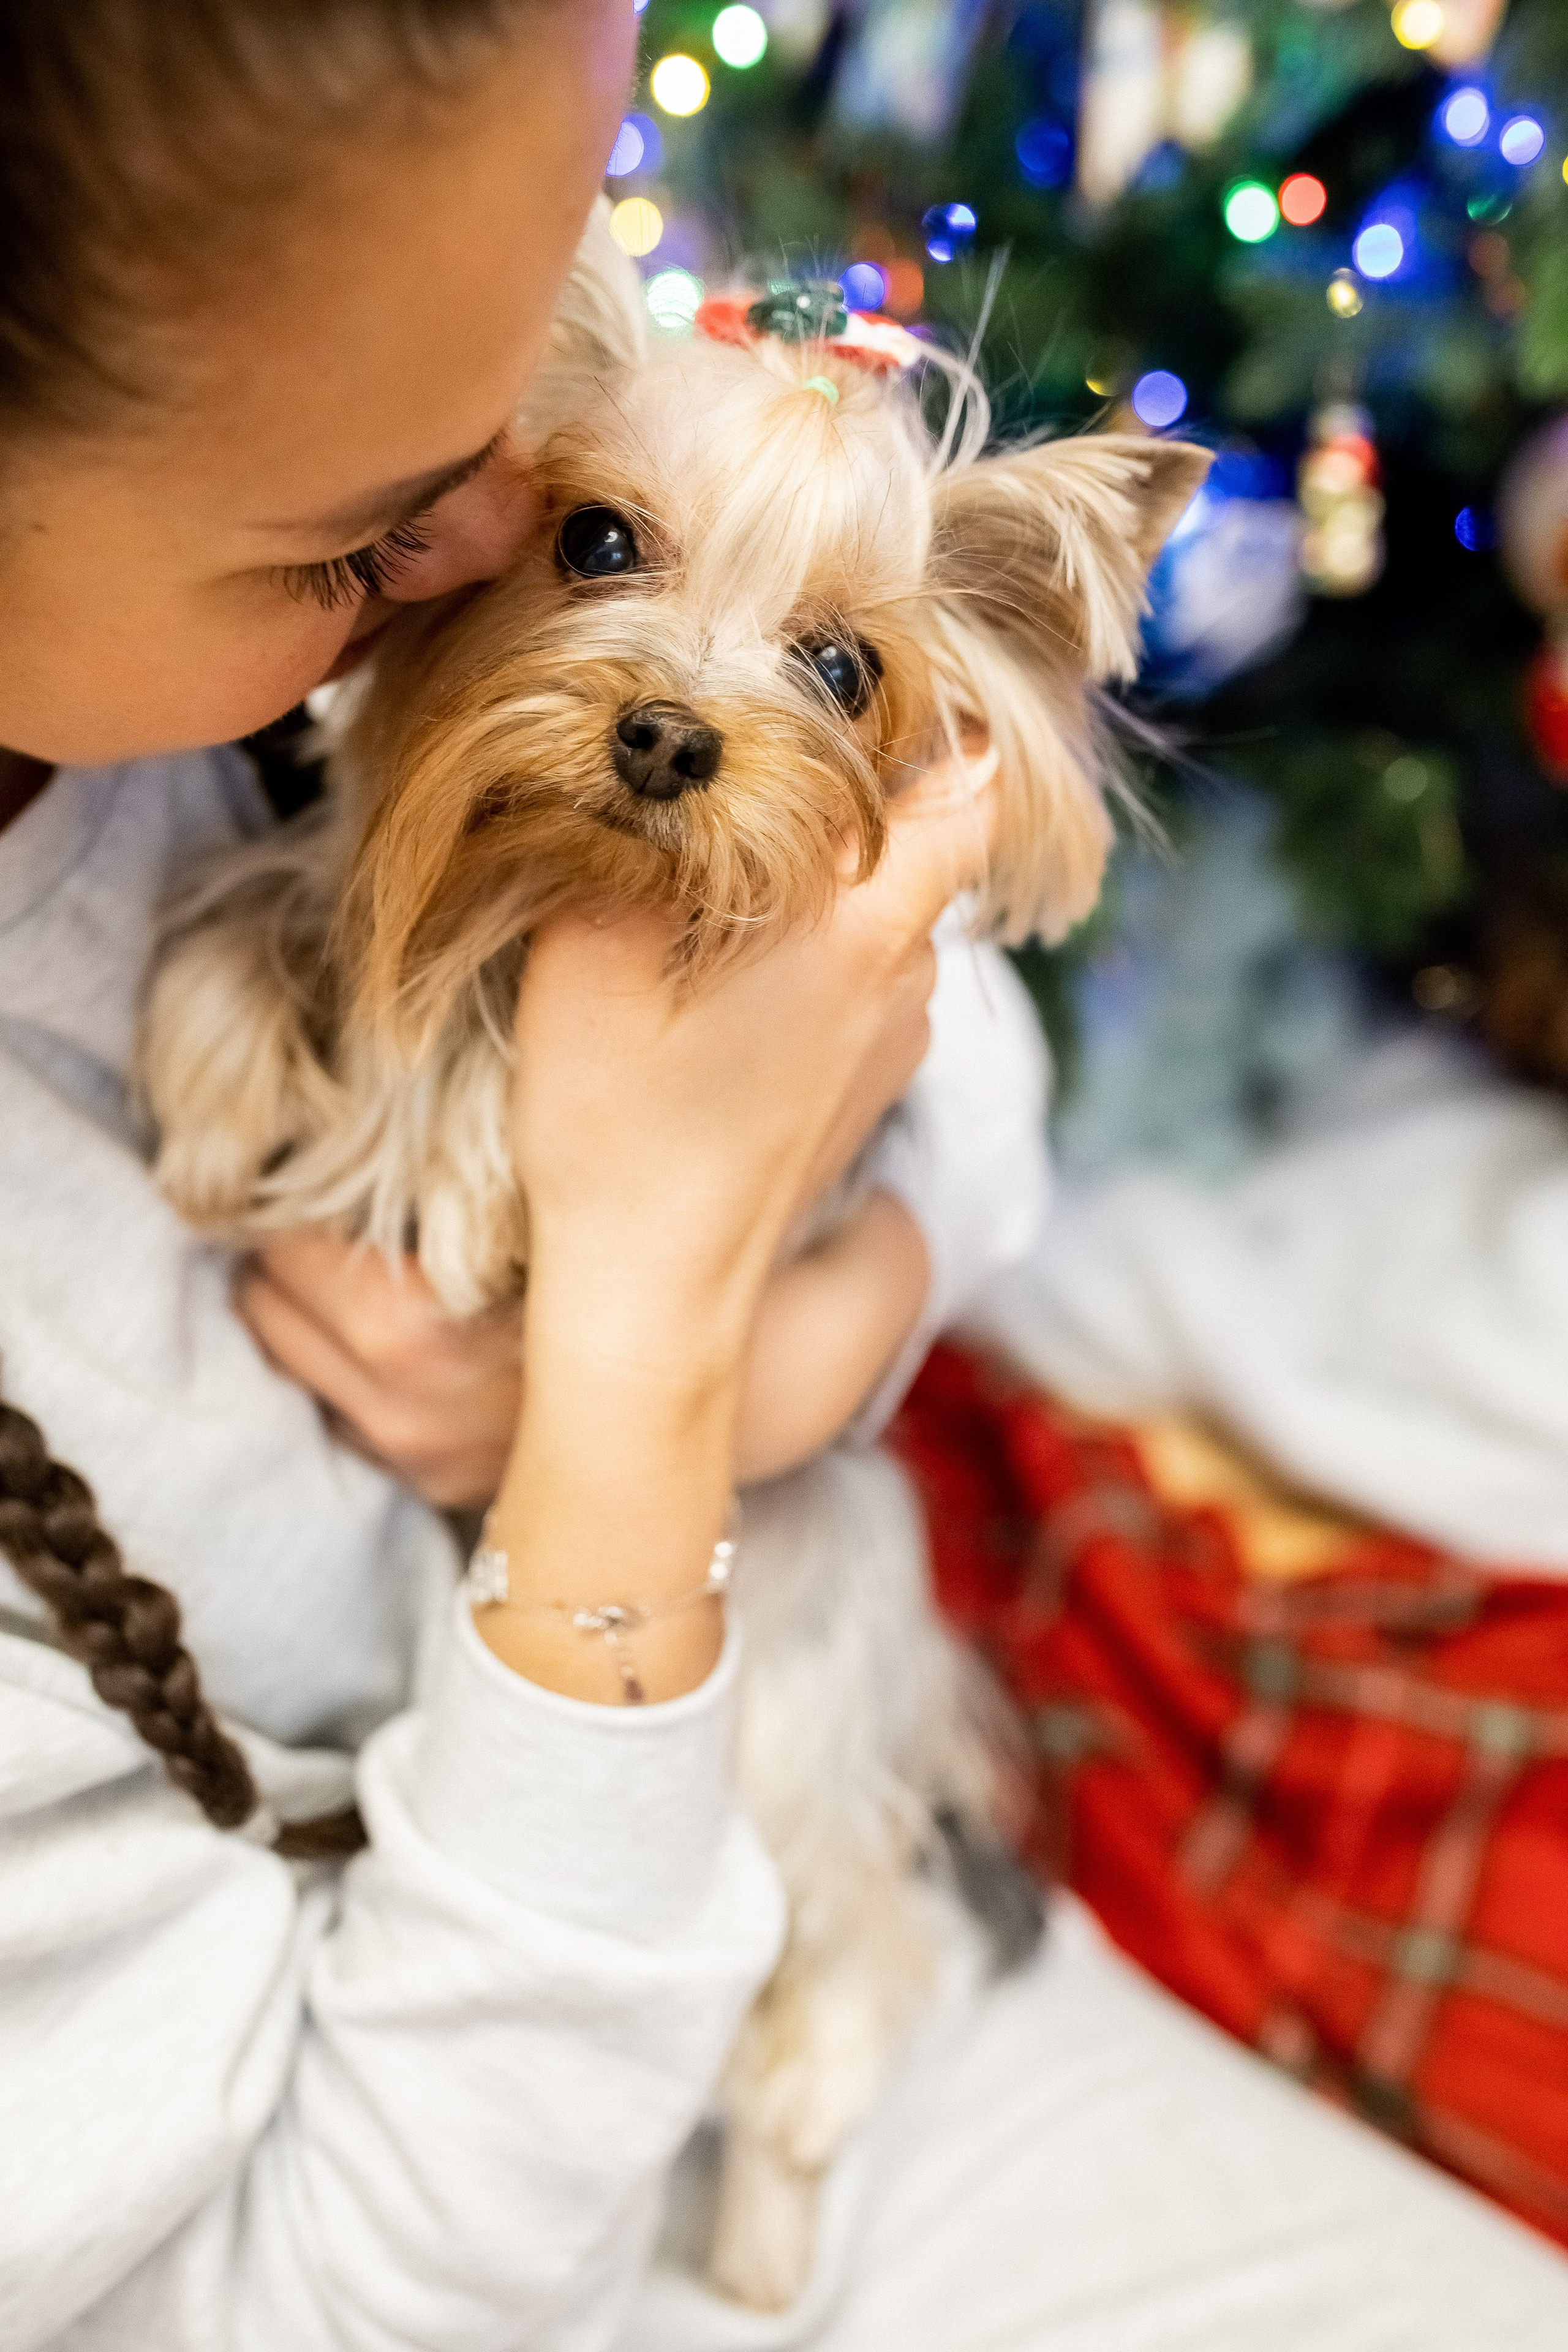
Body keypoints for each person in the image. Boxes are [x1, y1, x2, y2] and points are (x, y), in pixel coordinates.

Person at [1, 4, 1566, 2346]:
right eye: (576, 542)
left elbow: (948, 1034)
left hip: (753, 1795)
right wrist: (645, 1362)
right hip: (468, 2189)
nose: (473, 545)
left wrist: (816, 1322)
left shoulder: (242, 682)